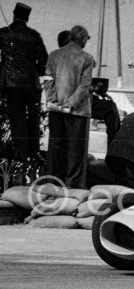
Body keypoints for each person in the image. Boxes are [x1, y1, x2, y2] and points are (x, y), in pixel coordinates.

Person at [43, 25, 94, 189]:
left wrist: (54, 101)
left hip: (55, 109)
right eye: (86, 38)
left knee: (56, 148)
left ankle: (54, 183)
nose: (86, 41)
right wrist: (70, 104)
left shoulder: (54, 55)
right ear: (81, 38)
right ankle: (73, 186)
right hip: (78, 111)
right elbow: (84, 85)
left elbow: (48, 80)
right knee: (76, 151)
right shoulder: (86, 58)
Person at [0, 2, 48, 162]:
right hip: (32, 86)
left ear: (14, 15)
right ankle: (33, 154)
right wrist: (36, 72)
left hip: (11, 85)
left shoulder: (3, 34)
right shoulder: (34, 36)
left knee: (17, 120)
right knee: (33, 120)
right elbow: (43, 62)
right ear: (27, 18)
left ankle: (20, 155)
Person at [90, 77, 120, 145]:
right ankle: (113, 143)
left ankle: (114, 140)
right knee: (111, 109)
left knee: (112, 106)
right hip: (84, 101)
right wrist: (95, 87)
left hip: (88, 99)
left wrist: (102, 93)